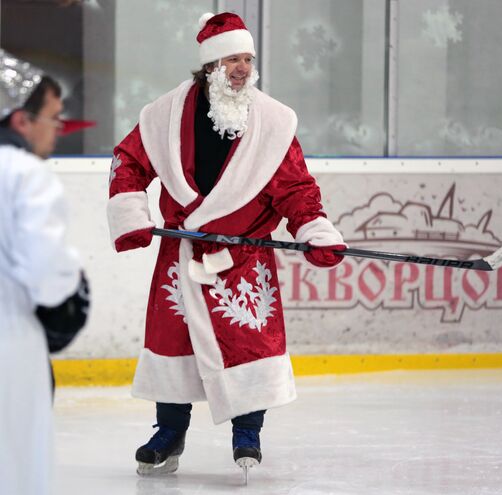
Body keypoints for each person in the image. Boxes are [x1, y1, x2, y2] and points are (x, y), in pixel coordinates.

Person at [107, 12, 345, 477]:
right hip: (182, 254)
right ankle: (169, 433)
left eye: (248, 59)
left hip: (244, 257)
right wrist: (132, 216)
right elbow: (128, 161)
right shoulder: (163, 116)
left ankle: (247, 433)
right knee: (173, 344)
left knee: (247, 344)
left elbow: (296, 189)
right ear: (210, 65)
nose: (242, 68)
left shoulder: (273, 122)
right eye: (233, 58)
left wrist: (315, 231)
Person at [0, 49, 90, 495]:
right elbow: (47, 270)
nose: (58, 129)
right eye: (53, 118)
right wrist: (71, 293)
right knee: (14, 460)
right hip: (9, 341)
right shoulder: (24, 174)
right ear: (20, 120)